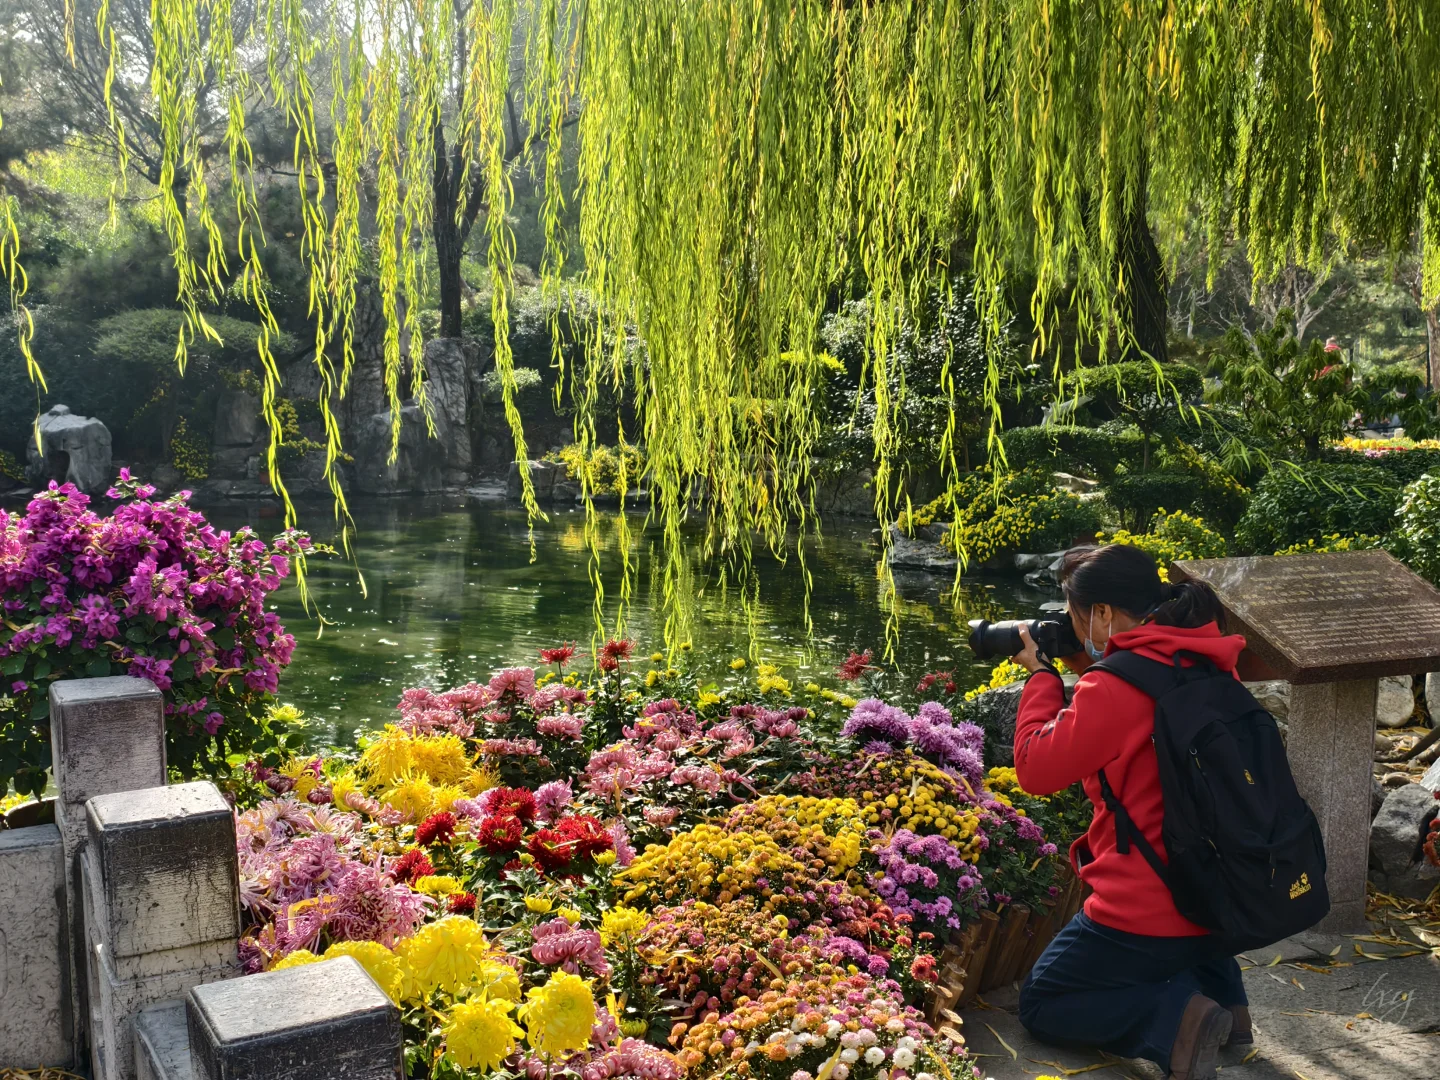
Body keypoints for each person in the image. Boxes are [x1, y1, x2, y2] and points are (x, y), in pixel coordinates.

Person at [1008, 543, 1250, 1080]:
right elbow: (1143, 716)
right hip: (1221, 896)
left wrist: (1041, 678)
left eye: (1074, 613)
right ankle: (1228, 1005)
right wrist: (1087, 661)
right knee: (1186, 928)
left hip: (1144, 911)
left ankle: (1176, 1022)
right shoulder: (1210, 659)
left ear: (1100, 614)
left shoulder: (1115, 685)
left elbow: (1034, 769)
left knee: (1043, 1001)